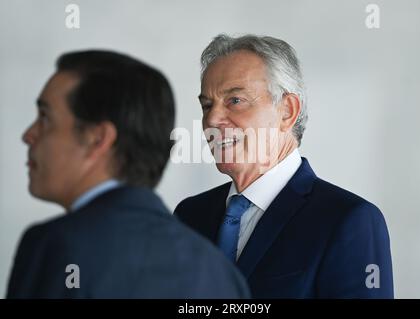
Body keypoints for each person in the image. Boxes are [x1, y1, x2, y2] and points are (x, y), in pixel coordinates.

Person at [7, 50, 249, 299]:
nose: (29, 135)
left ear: (97, 139)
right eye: (206, 106)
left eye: (45, 118)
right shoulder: (220, 271)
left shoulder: (56, 245)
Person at [174, 34, 394, 298]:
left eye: (235, 100)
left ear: (287, 110)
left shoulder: (348, 221)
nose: (212, 118)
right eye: (207, 105)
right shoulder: (188, 216)